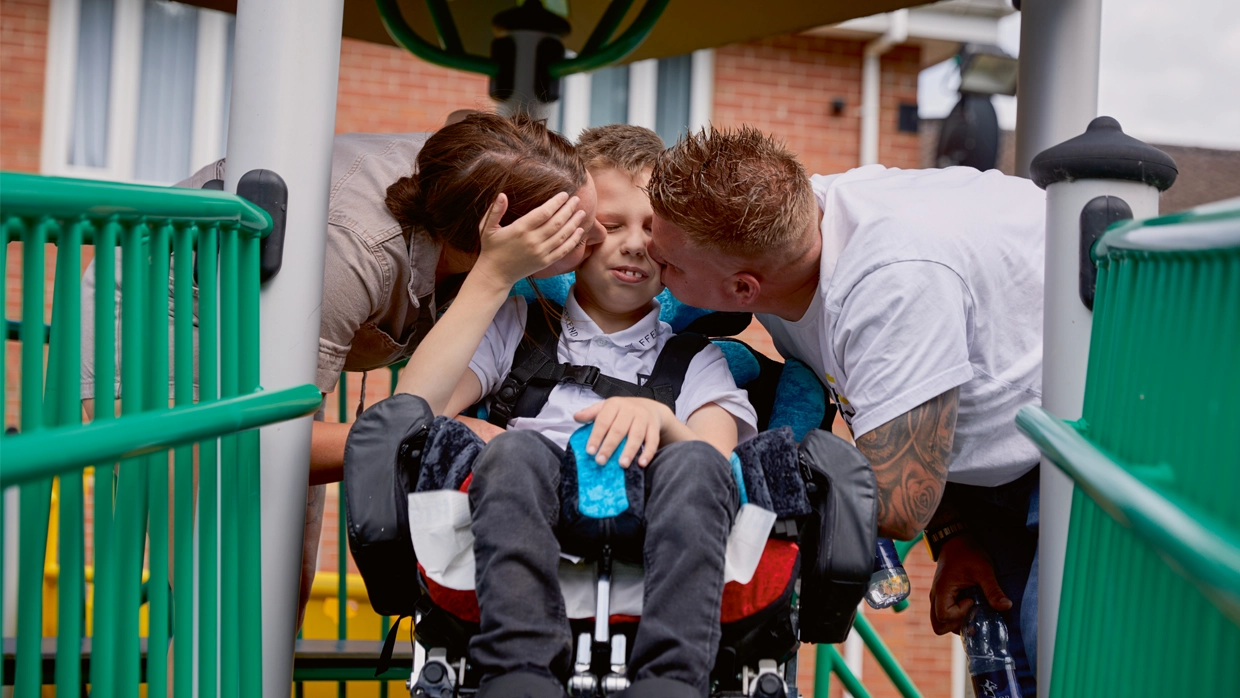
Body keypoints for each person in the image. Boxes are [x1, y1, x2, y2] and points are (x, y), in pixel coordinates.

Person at [79, 112, 606, 629]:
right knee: (227, 598)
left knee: (285, 588)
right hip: (163, 320)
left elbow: (402, 424)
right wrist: (452, 423)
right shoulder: (350, 252)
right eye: (576, 227)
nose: (601, 237)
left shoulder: (476, 177)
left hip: (258, 340)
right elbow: (276, 442)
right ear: (499, 229)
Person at [645, 126, 1045, 696]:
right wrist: (954, 531)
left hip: (1099, 442)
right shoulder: (785, 219)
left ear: (742, 290)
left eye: (670, 267)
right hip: (996, 452)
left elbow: (902, 501)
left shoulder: (890, 284)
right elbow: (911, 405)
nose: (652, 262)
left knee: (1068, 666)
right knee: (1016, 673)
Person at [390, 124, 758, 698]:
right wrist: (493, 281)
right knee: (512, 450)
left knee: (693, 464)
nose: (634, 244)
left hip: (655, 509)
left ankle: (675, 681)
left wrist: (663, 424)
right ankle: (518, 675)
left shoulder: (696, 361)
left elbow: (718, 464)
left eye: (652, 230)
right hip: (523, 501)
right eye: (610, 226)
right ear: (575, 233)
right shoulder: (517, 324)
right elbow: (413, 413)